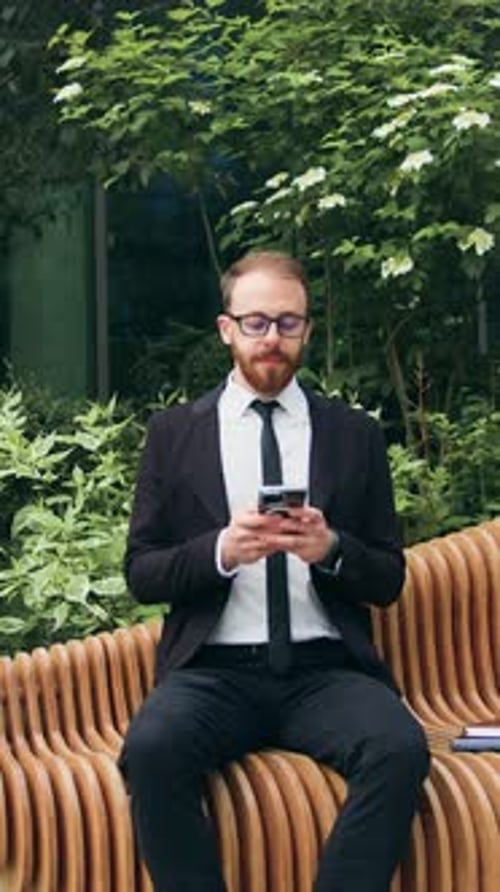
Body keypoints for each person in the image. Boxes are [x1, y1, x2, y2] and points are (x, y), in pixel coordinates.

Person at [120, 250, 429, 892]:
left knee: (400, 749)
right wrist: (221, 553)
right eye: (257, 322)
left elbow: (388, 578)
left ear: (308, 331)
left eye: (288, 324)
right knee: (150, 753)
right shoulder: (175, 434)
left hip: (326, 671)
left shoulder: (354, 434)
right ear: (226, 328)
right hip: (214, 673)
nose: (273, 340)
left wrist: (333, 549)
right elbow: (143, 573)